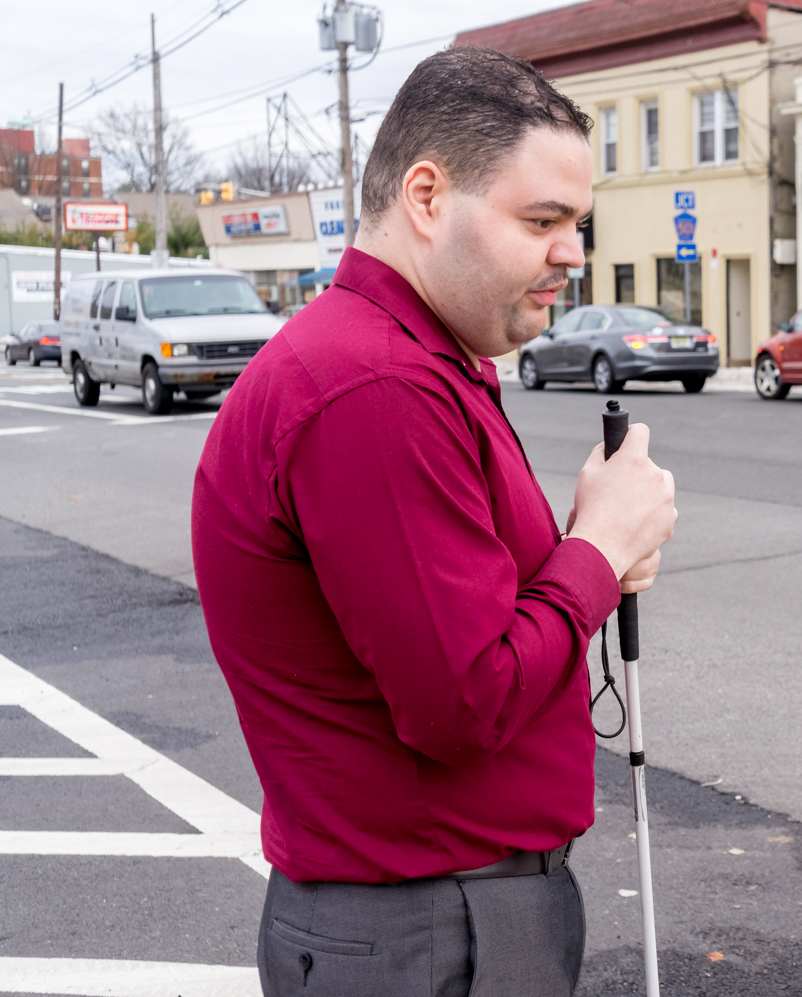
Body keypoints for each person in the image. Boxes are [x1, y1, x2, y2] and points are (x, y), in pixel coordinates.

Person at [191, 46, 676, 997]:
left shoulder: (402, 361)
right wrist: (594, 551)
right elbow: (464, 701)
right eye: (542, 220)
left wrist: (589, 552)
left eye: (577, 223)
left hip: (430, 913)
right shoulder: (374, 386)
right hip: (427, 929)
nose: (572, 254)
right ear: (426, 196)